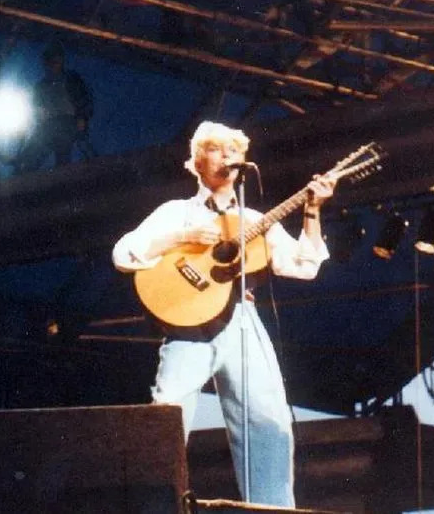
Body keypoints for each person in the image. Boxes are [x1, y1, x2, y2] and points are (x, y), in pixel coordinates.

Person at [111, 121, 335, 507]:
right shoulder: (177, 212)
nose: (227, 155)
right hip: (188, 326)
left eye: (234, 149)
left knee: (268, 424)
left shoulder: (254, 220)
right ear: (195, 162)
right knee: (166, 420)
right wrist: (182, 238)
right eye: (216, 148)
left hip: (242, 319)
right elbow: (124, 253)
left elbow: (305, 265)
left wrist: (312, 211)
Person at [15, 41, 95, 173]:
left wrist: (82, 118)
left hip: (68, 122)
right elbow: (36, 108)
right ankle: (22, 170)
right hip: (48, 124)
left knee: (62, 145)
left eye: (57, 60)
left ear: (61, 60)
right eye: (50, 61)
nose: (54, 65)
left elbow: (83, 99)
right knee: (35, 148)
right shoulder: (41, 86)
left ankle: (61, 172)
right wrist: (39, 116)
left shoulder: (71, 79)